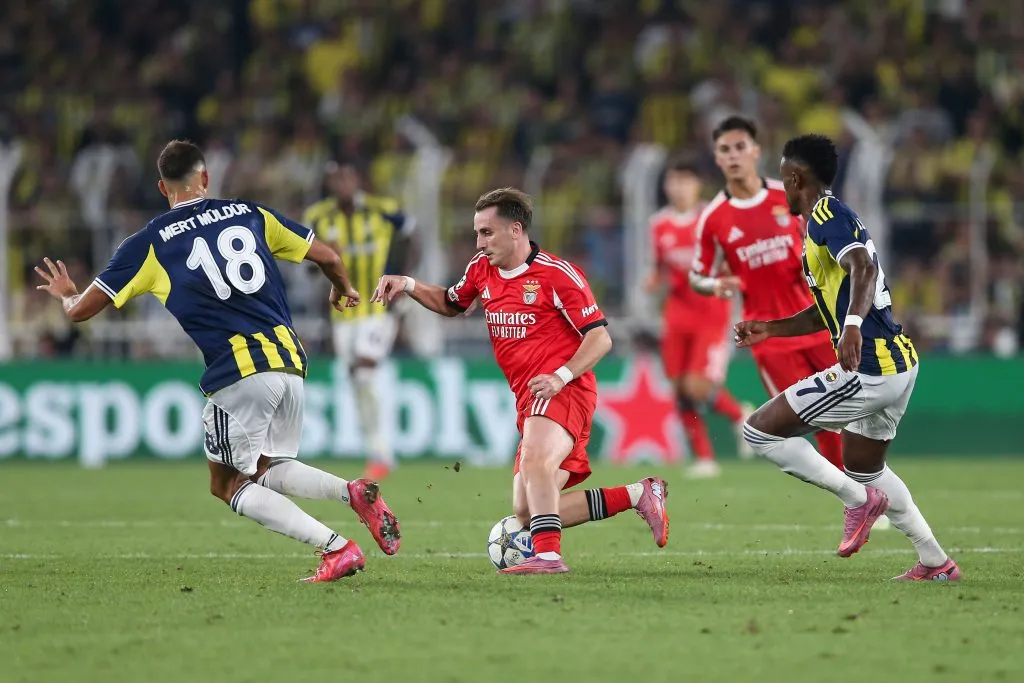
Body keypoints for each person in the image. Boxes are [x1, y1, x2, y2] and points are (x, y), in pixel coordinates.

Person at [34, 140, 401, 583]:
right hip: (290, 362)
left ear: (161, 187)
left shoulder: (148, 243)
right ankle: (353, 492)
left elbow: (80, 312)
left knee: (226, 484)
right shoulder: (251, 213)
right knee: (267, 467)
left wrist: (66, 293)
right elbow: (328, 255)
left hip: (239, 372)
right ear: (205, 178)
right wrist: (342, 287)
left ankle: (337, 548)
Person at [372, 187, 669, 575]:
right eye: (478, 233)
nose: (479, 242)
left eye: (487, 233)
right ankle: (638, 494)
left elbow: (600, 337)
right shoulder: (482, 269)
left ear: (516, 230)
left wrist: (561, 376)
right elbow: (451, 302)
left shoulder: (557, 275)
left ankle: (547, 557)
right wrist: (409, 285)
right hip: (529, 397)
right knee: (528, 511)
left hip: (565, 387)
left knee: (534, 463)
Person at [736, 134, 959, 581]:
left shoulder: (825, 216)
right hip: (899, 363)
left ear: (795, 177)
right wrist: (771, 329)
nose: (782, 188)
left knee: (758, 432)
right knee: (864, 465)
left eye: (783, 179)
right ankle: (936, 561)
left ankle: (857, 501)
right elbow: (828, 310)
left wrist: (853, 327)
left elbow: (864, 266)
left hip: (870, 366)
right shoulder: (832, 217)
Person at [689, 116, 846, 473]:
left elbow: (829, 233)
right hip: (772, 337)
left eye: (740, 147)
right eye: (724, 150)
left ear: (756, 152)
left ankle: (869, 493)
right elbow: (697, 275)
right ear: (716, 158)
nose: (733, 156)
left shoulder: (788, 194)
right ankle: (860, 501)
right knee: (818, 422)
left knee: (851, 414)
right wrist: (715, 285)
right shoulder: (714, 218)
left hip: (819, 322)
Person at [304, 158, 415, 481]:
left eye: (347, 178)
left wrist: (404, 280)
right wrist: (327, 258)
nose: (343, 185)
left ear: (357, 179)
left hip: (379, 308)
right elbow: (310, 268)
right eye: (336, 179)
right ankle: (378, 449)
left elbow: (411, 234)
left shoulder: (383, 210)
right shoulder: (318, 218)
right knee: (356, 379)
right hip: (343, 315)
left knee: (366, 371)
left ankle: (382, 453)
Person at [646, 157, 753, 478]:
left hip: (711, 312)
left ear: (696, 186)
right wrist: (653, 282)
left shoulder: (712, 218)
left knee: (695, 386)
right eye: (673, 181)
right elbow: (660, 267)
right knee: (679, 390)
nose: (678, 188)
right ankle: (705, 458)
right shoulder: (659, 224)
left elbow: (735, 260)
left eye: (684, 181)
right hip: (677, 313)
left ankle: (739, 416)